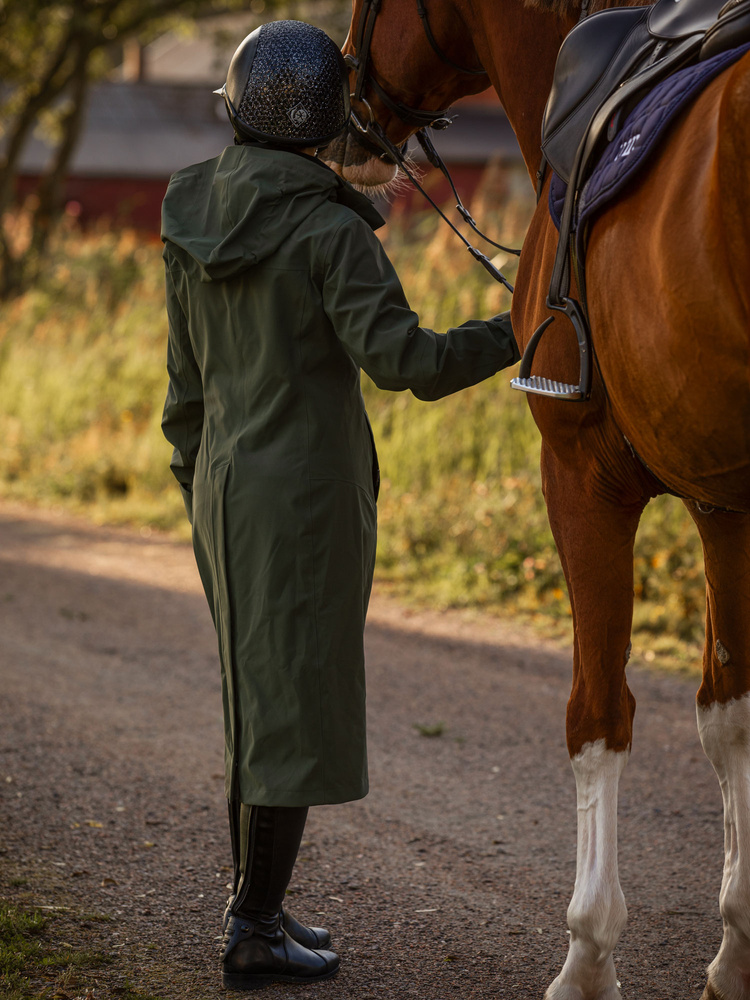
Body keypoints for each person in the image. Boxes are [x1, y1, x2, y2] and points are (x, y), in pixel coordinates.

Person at [160, 18, 519, 992]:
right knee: (291, 710)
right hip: (307, 504)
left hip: (224, 495)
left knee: (255, 701)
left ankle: (258, 911)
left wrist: (205, 494)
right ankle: (253, 926)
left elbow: (182, 398)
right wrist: (521, 325)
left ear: (238, 107)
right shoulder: (327, 232)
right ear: (325, 123)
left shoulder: (188, 209)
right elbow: (411, 363)